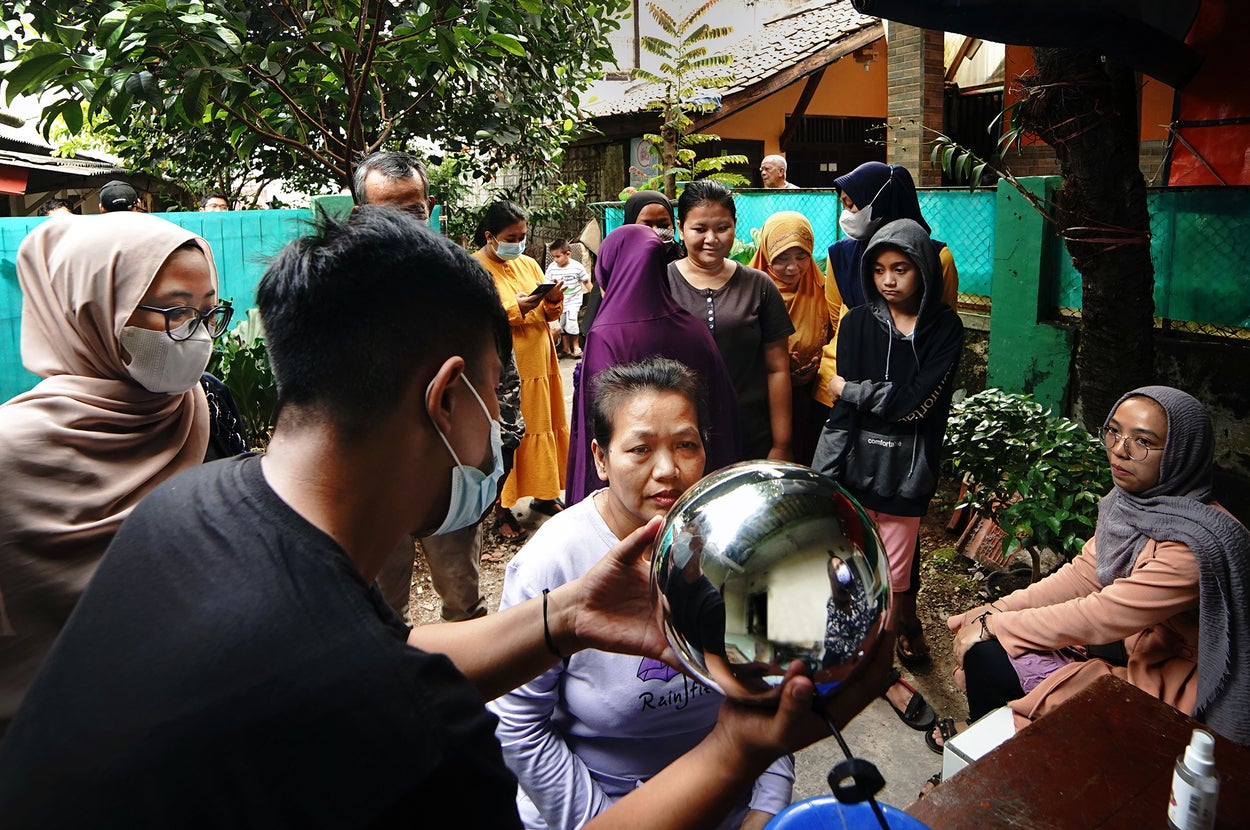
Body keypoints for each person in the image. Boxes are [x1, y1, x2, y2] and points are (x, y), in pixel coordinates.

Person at [0, 207, 893, 827]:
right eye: (500, 397)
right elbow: (379, 687)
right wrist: (741, 748)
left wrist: (565, 619)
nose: (503, 427)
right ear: (446, 398)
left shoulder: (202, 500)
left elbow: (388, 659)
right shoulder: (410, 737)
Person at [492, 358, 793, 830]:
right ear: (599, 458)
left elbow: (773, 686)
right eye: (640, 449)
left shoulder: (739, 546)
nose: (668, 470)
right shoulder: (553, 563)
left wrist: (766, 806)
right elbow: (518, 724)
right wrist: (608, 822)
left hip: (729, 801)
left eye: (686, 445)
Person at [0, 212, 232, 734]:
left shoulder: (205, 408)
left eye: (208, 314)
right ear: (91, 309)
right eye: (174, 311)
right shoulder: (9, 453)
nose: (197, 336)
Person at [932, 386, 1250, 751]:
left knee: (991, 654)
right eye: (1114, 431)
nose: (1119, 449)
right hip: (1131, 650)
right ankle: (985, 745)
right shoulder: (1131, 506)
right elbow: (1083, 574)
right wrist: (993, 610)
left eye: (1143, 441)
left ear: (1182, 453)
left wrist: (994, 625)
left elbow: (1102, 615)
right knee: (989, 650)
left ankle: (1001, 762)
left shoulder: (1196, 545)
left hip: (1176, 690)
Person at [812, 218, 964, 733]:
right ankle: (849, 658)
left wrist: (848, 388)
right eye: (878, 270)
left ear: (922, 268)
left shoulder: (944, 327)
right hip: (854, 466)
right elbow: (848, 417)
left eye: (901, 268)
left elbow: (915, 405)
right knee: (845, 564)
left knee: (896, 581)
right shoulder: (855, 322)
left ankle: (884, 669)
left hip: (908, 475)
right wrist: (823, 477)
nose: (889, 280)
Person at [355, 150, 506, 618]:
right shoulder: (343, 283)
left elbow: (498, 366)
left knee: (463, 596)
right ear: (361, 211)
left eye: (414, 211)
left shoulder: (462, 277)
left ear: (430, 206)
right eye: (389, 213)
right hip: (376, 473)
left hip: (450, 468)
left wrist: (502, 444)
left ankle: (464, 686)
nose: (405, 224)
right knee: (381, 605)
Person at [565, 225, 741, 506]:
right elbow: (722, 412)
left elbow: (596, 425)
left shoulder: (606, 334)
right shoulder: (693, 328)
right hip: (690, 481)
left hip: (629, 492)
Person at [813, 162, 959, 423]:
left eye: (852, 205)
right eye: (844, 205)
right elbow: (836, 319)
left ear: (881, 202)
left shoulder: (937, 259)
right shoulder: (840, 255)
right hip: (836, 387)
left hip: (903, 395)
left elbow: (937, 322)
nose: (847, 214)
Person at [665, 180, 794, 461]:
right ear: (680, 228)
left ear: (735, 225)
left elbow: (778, 369)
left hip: (750, 434)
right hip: (676, 437)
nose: (711, 239)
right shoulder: (660, 284)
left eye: (722, 228)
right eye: (700, 229)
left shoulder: (759, 286)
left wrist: (782, 445)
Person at [474, 200, 568, 521]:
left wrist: (552, 300)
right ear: (490, 236)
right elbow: (482, 317)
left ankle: (544, 495)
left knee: (545, 425)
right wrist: (518, 308)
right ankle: (502, 509)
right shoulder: (475, 269)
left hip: (542, 363)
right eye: (511, 237)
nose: (518, 243)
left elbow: (547, 311)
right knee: (511, 435)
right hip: (508, 370)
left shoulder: (529, 264)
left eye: (522, 236)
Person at [748, 211, 830, 465]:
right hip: (759, 401)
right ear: (766, 253)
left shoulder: (824, 289)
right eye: (781, 258)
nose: (793, 267)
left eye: (802, 255)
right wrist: (775, 362)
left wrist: (816, 366)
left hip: (811, 398)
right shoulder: (748, 292)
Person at [581, 190, 676, 338]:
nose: (655, 232)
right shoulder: (614, 270)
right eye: (647, 225)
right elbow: (594, 328)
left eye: (663, 225)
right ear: (630, 225)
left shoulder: (683, 264)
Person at [546, 238, 592, 359]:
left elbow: (586, 281)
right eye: (553, 257)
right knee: (562, 324)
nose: (555, 260)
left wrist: (594, 296)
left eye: (558, 256)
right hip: (559, 301)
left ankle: (576, 347)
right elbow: (548, 284)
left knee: (572, 322)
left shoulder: (577, 267)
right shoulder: (552, 268)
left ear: (568, 254)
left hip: (574, 300)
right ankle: (566, 348)